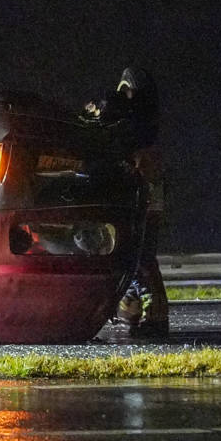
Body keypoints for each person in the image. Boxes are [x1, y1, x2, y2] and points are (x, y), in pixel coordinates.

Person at [86, 68, 168, 339]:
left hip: (140, 200)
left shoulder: (138, 134)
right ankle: (132, 311)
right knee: (133, 257)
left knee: (140, 258)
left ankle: (155, 316)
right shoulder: (140, 129)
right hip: (140, 198)